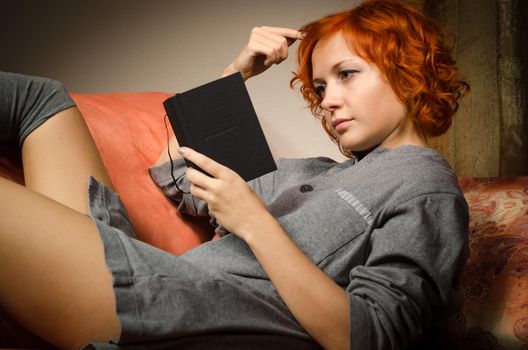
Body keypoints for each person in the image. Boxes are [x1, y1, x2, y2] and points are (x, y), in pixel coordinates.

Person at [0, 0, 470, 349]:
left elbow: (372, 335)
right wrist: (235, 76)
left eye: (347, 74)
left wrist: (253, 223)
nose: (326, 100)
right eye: (321, 86)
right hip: (145, 271)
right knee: (40, 98)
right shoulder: (309, 173)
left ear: (409, 73)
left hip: (172, 311)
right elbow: (177, 173)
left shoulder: (426, 188)